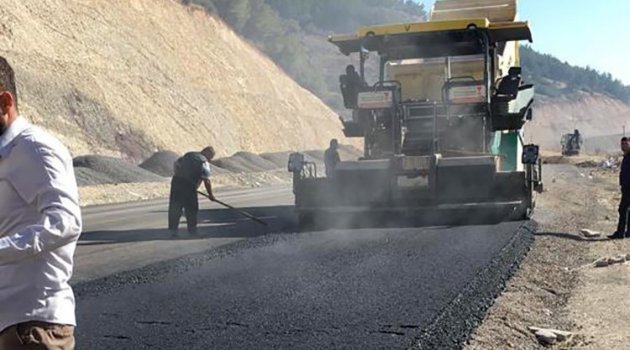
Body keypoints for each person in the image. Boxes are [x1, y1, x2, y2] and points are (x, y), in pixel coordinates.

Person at [0, 57, 81, 349]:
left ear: (5, 102)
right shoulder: (7, 158)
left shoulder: (34, 148)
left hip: (35, 328)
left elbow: (65, 222)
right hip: (13, 324)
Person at [168, 146, 216, 237]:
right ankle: (192, 231)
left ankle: (173, 232)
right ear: (207, 153)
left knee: (175, 207)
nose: (210, 160)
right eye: (211, 157)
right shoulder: (203, 161)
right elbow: (206, 180)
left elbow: (176, 164)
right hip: (188, 186)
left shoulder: (188, 155)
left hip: (176, 183)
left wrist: (180, 176)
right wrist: (210, 195)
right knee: (191, 209)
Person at [609, 137, 630, 239]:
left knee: (622, 209)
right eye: (622, 144)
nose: (623, 146)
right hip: (626, 187)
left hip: (629, 188)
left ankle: (620, 233)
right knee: (627, 210)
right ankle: (627, 232)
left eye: (626, 144)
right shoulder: (626, 156)